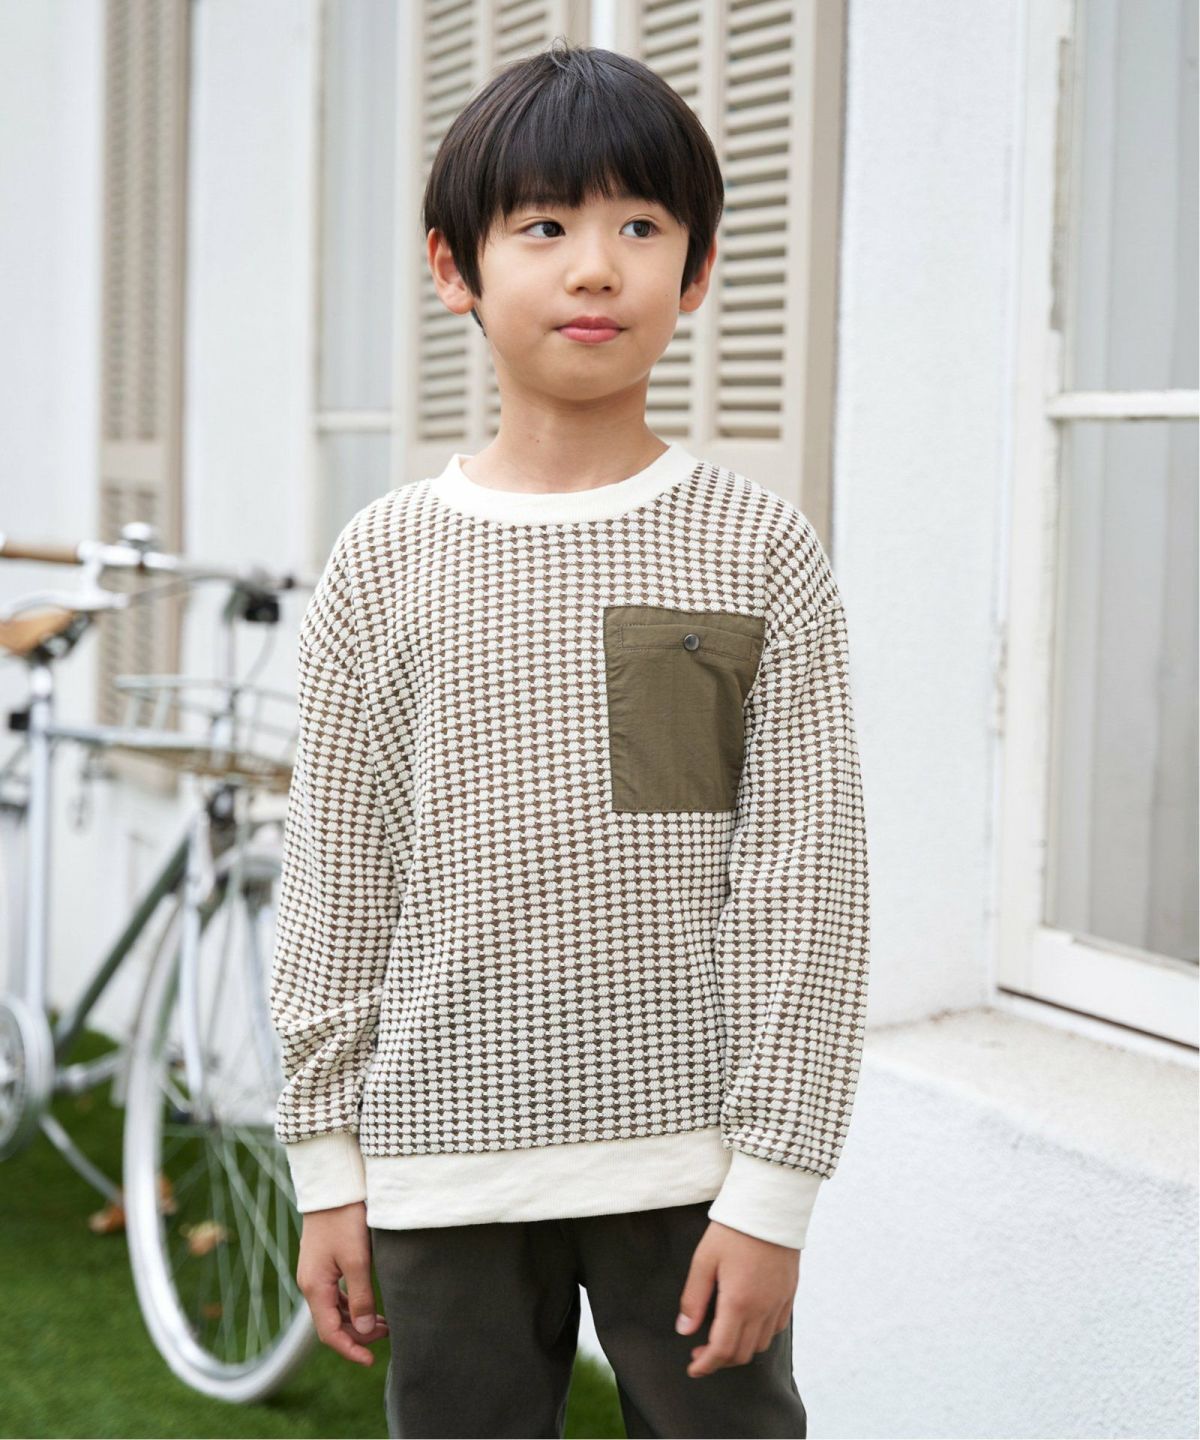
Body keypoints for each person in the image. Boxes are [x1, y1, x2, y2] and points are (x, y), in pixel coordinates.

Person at [268, 36, 871, 1440]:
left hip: (692, 1167)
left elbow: (806, 882)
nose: (595, 269)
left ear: (697, 271)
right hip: (440, 1159)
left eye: (641, 228)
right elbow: (337, 873)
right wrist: (325, 1163)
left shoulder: (758, 548)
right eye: (544, 227)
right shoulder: (384, 560)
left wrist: (775, 1187)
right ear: (455, 268)